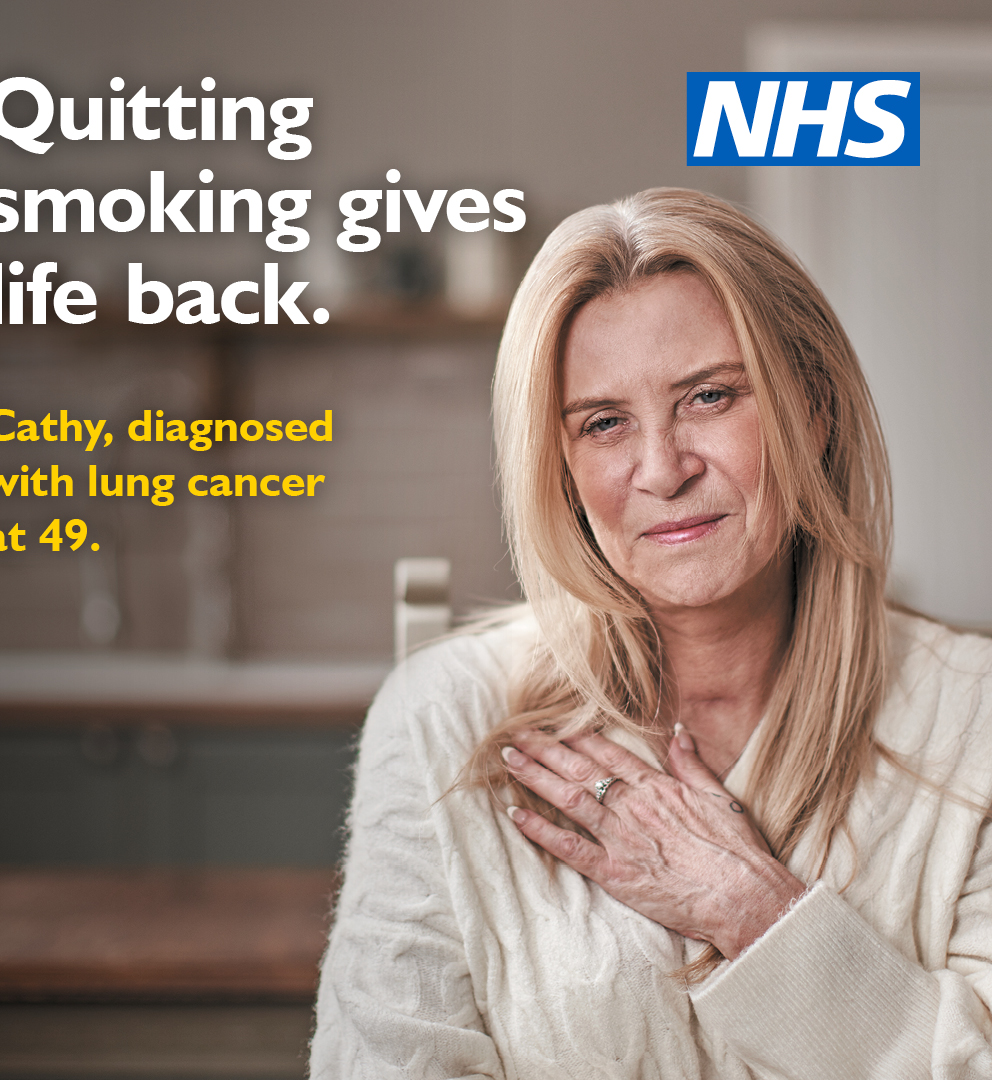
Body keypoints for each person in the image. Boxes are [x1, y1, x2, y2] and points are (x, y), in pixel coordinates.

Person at [309, 188, 992, 1079]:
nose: (663, 469)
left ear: (813, 409)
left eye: (709, 397)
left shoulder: (974, 718)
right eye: (603, 423)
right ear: (559, 464)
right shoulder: (443, 716)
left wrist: (754, 912)